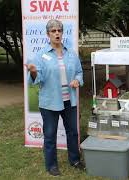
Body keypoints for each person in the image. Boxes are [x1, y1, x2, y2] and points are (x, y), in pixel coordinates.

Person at [26, 19, 85, 176]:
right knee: (50, 134)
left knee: (72, 132)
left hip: (69, 100)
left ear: (62, 33)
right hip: (50, 102)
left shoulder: (71, 53)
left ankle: (75, 159)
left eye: (59, 30)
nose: (57, 33)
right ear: (48, 34)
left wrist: (77, 80)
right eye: (53, 31)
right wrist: (33, 72)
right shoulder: (41, 55)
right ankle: (51, 165)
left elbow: (79, 72)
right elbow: (37, 80)